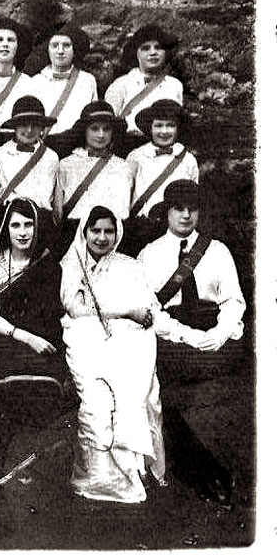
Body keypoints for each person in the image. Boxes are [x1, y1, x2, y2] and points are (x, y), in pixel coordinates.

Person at [137, 180, 246, 505]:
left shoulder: (218, 251)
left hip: (216, 337)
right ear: (166, 212)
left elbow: (234, 301)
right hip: (175, 338)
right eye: (178, 209)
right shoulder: (150, 255)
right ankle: (207, 475)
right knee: (170, 397)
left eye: (192, 209)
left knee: (230, 395)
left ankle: (230, 469)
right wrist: (189, 336)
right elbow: (150, 311)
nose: (186, 216)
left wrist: (220, 332)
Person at [59, 205, 165, 503]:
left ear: (117, 233)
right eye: (96, 230)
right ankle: (98, 480)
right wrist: (126, 311)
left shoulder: (129, 265)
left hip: (124, 340)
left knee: (137, 390)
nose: (102, 237)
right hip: (86, 338)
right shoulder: (72, 265)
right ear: (85, 232)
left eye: (108, 231)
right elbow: (76, 310)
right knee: (99, 400)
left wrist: (136, 315)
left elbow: (147, 306)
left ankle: (137, 470)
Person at [0, 198, 67, 465]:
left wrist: (41, 337)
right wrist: (26, 337)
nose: (23, 232)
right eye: (15, 225)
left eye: (29, 224)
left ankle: (34, 458)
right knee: (11, 390)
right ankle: (5, 460)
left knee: (45, 386)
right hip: (6, 339)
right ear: (6, 229)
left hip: (44, 339)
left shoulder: (48, 263)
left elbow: (54, 311)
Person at [123, 99, 199, 255]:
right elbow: (125, 194)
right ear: (150, 128)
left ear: (178, 128)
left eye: (170, 125)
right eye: (158, 125)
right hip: (141, 228)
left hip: (174, 229)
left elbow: (192, 199)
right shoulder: (136, 156)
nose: (164, 131)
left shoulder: (187, 159)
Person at [54, 101, 134, 230]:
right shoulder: (66, 165)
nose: (101, 135)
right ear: (84, 131)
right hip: (75, 232)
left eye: (106, 129)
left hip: (114, 234)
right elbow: (58, 212)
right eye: (94, 128)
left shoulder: (124, 167)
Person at [104, 24, 183, 148]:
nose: (153, 52)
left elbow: (178, 121)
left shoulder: (175, 85)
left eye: (158, 48)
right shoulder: (121, 84)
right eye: (146, 48)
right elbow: (107, 122)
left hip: (165, 144)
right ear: (136, 53)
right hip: (128, 146)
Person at [27, 24, 98, 143]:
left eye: (66, 46)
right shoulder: (35, 82)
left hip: (76, 143)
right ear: (47, 49)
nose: (60, 51)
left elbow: (93, 118)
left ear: (74, 49)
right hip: (44, 144)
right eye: (54, 46)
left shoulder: (87, 80)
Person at [0, 96, 59, 213]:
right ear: (15, 126)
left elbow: (50, 197)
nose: (29, 130)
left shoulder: (51, 157)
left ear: (42, 127)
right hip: (9, 215)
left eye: (35, 125)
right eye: (24, 124)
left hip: (41, 216)